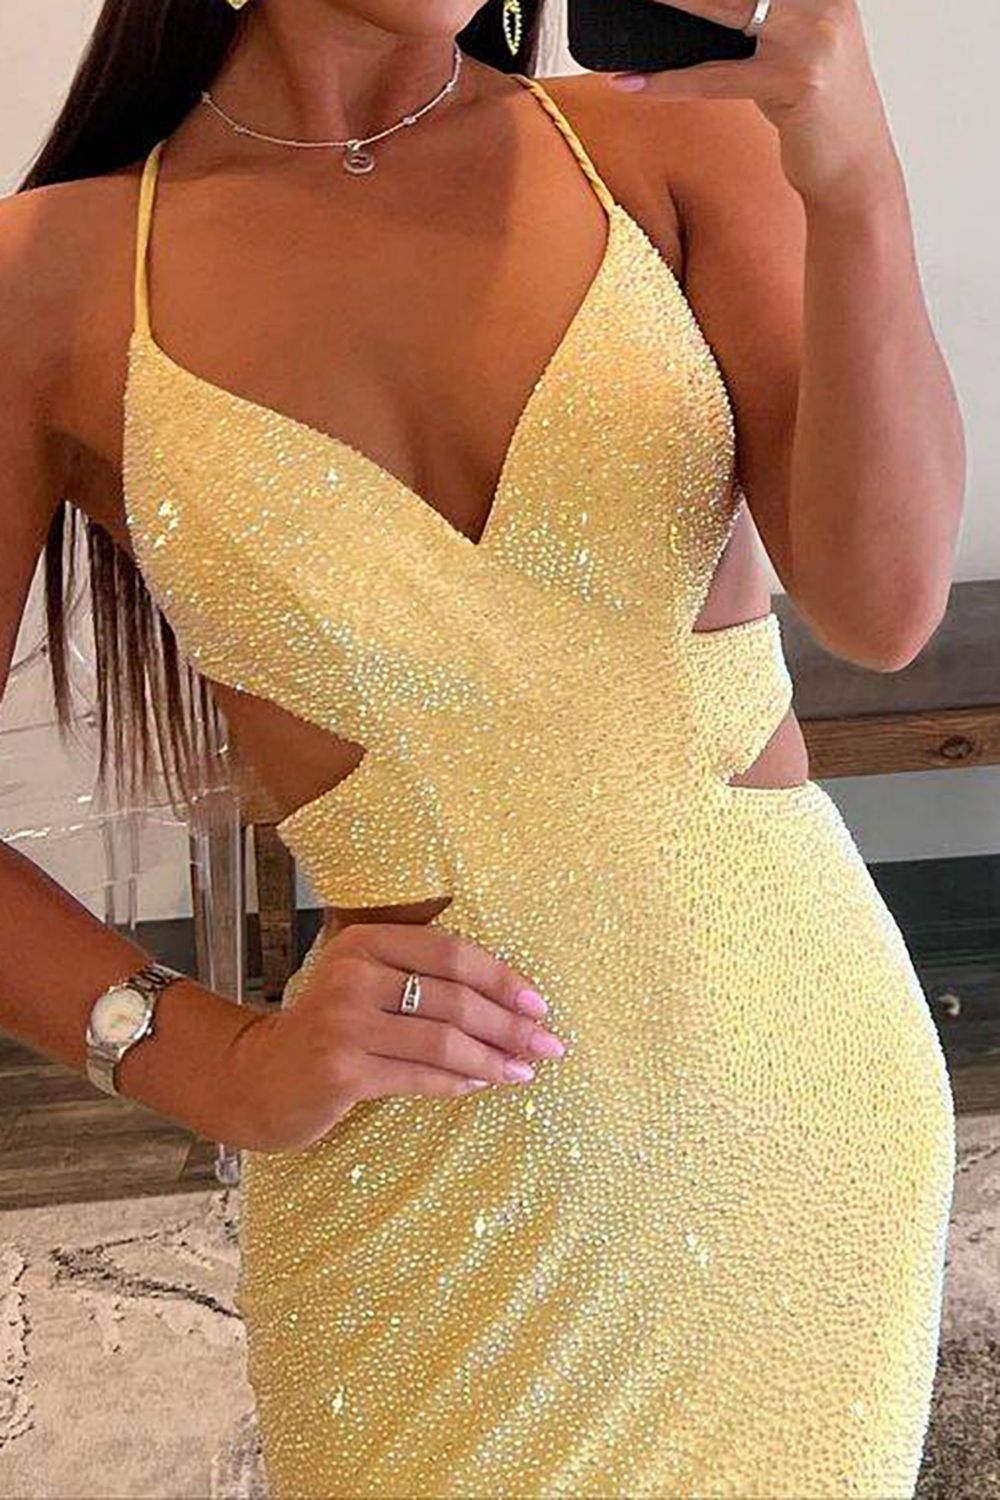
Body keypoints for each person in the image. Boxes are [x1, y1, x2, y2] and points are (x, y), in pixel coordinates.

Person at [0, 0, 966, 1494]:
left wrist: (858, 188)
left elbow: (885, 606)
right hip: (426, 1174)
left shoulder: (668, 151)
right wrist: (212, 1064)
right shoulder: (50, 277)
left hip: (798, 1100)